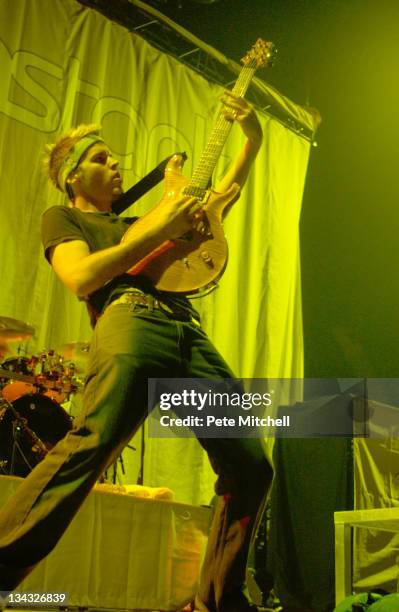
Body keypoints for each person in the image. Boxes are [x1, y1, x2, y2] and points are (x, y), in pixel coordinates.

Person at [0, 92, 273, 612]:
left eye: (113, 154)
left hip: (186, 331)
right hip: (130, 319)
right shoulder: (66, 218)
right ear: (74, 178)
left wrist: (252, 138)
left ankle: (219, 601)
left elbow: (219, 200)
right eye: (102, 158)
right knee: (92, 446)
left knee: (252, 463)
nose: (117, 162)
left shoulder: (144, 220)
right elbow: (79, 277)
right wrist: (155, 227)